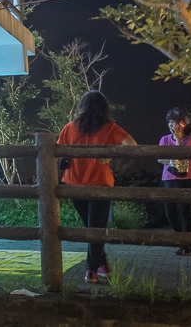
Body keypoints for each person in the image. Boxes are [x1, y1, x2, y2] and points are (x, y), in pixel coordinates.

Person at [57, 90, 137, 284]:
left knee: (91, 227)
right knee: (96, 228)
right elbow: (132, 146)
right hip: (101, 182)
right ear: (104, 109)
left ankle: (101, 265)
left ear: (82, 107)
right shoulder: (110, 128)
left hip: (74, 182)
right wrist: (110, 153)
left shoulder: (69, 127)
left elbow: (58, 151)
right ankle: (91, 269)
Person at [158, 107, 191, 255]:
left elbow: (185, 159)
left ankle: (188, 245)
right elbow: (160, 159)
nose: (172, 125)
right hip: (168, 179)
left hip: (186, 179)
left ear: (183, 124)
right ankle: (182, 241)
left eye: (175, 122)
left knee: (185, 212)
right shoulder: (164, 139)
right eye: (170, 122)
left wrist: (179, 140)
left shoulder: (190, 140)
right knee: (170, 213)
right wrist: (176, 161)